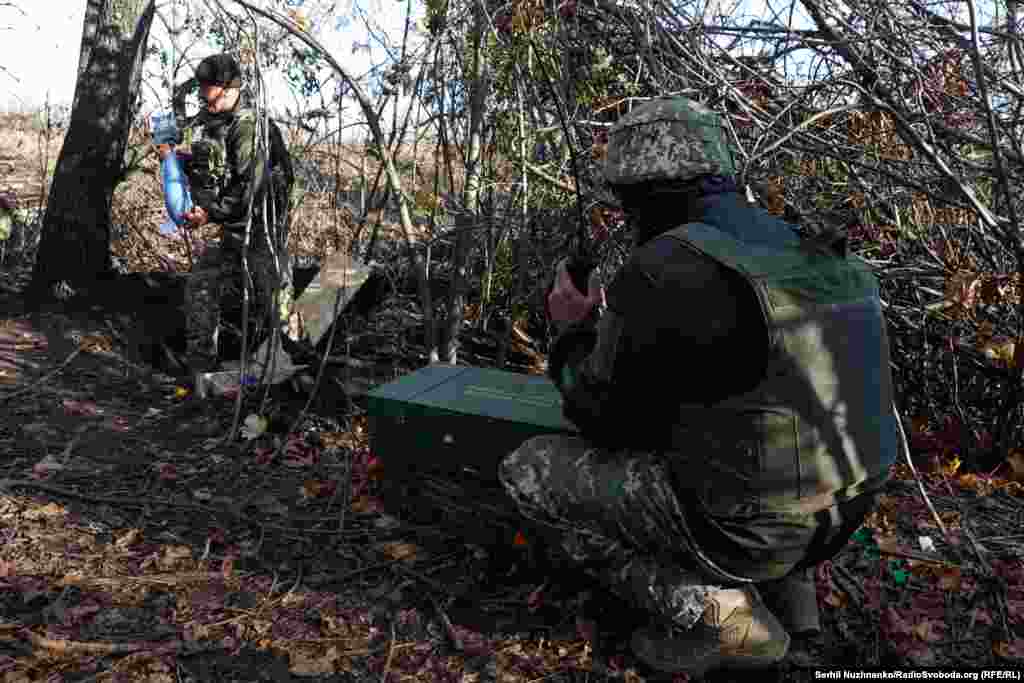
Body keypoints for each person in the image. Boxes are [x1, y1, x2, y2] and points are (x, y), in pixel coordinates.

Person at [498, 96, 900, 676]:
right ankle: (797, 608)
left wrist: (572, 330)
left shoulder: (667, 265)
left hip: (748, 530)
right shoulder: (811, 248)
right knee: (767, 438)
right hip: (846, 511)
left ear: (636, 194)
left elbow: (601, 420)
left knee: (530, 471)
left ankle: (728, 619)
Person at [155, 53, 295, 374]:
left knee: (272, 301)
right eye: (202, 90)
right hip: (236, 226)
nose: (204, 97)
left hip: (262, 231)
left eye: (210, 90)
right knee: (203, 285)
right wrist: (178, 161)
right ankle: (202, 368)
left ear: (230, 89)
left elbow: (249, 188)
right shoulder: (223, 120)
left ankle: (283, 364)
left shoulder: (249, 128)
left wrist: (208, 214)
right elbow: (221, 171)